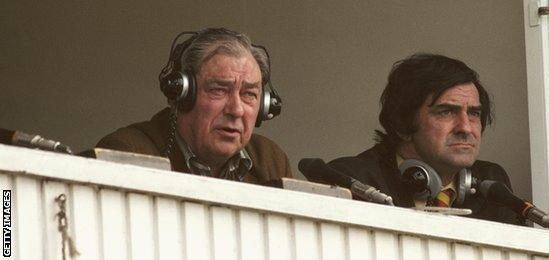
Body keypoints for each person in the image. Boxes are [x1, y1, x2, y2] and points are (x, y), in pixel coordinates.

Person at [325, 53, 525, 225]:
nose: (465, 127)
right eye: (446, 112)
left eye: (473, 114)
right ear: (402, 124)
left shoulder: (492, 184)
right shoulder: (352, 180)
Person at [96, 28, 292, 184]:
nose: (236, 110)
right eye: (219, 90)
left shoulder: (271, 161)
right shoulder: (127, 151)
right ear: (181, 93)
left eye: (249, 94)